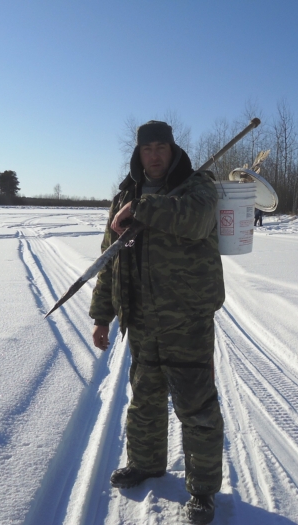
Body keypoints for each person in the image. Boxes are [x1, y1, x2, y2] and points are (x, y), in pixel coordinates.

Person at [90, 120, 225, 524]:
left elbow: (197, 220)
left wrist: (144, 209)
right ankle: (147, 463)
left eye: (161, 147)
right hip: (142, 320)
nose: (154, 155)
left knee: (196, 407)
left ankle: (202, 491)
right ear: (139, 153)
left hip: (187, 319)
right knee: (144, 400)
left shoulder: (197, 186)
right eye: (147, 148)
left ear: (172, 149)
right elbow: (107, 258)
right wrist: (102, 315)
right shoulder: (125, 195)